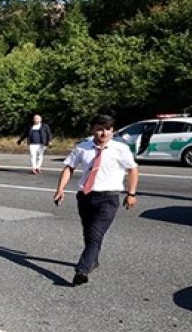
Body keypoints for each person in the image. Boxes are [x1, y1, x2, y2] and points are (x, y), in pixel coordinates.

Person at [52, 115, 139, 286]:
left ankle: (82, 270)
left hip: (108, 197)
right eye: (100, 129)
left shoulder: (120, 149)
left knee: (95, 233)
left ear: (113, 131)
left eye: (107, 129)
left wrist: (131, 194)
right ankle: (93, 260)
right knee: (89, 232)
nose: (103, 133)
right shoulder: (83, 148)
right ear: (93, 129)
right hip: (85, 196)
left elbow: (132, 170)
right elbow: (69, 167)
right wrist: (60, 190)